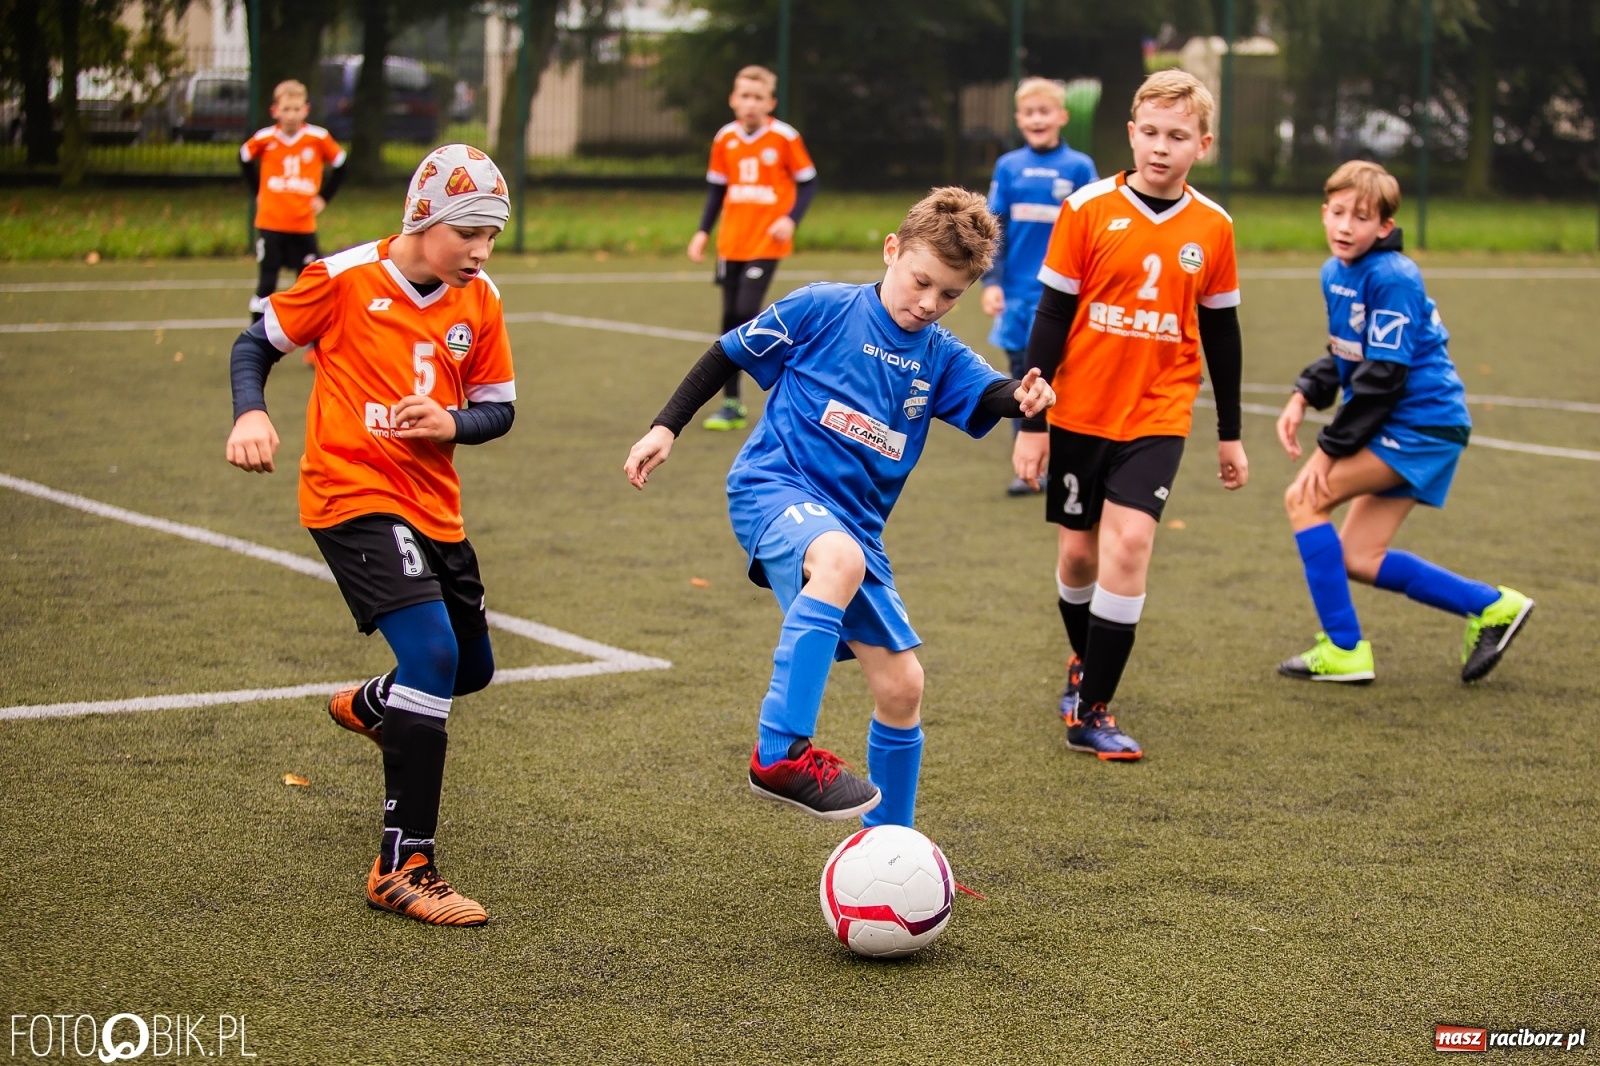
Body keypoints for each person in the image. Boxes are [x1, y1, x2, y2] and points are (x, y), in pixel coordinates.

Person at [627, 188, 1054, 827]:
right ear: (892, 250)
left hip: (855, 530)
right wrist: (666, 427)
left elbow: (989, 391)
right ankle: (779, 751)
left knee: (903, 687)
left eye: (949, 296)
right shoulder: (823, 309)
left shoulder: (937, 355)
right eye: (920, 282)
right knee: (839, 557)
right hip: (774, 488)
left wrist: (1021, 398)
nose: (928, 304)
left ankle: (889, 844)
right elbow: (727, 352)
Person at [225, 144, 517, 926]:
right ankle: (404, 864)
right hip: (350, 494)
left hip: (435, 507)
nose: (482, 251)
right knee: (432, 655)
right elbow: (255, 343)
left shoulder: (479, 299)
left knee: (471, 670)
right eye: (470, 234)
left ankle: (377, 703)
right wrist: (251, 411)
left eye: (493, 234)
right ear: (425, 219)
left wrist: (452, 421)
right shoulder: (344, 278)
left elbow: (500, 408)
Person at [1012, 70, 1248, 761]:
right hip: (1080, 408)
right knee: (1079, 554)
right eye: (1150, 132)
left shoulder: (1214, 227)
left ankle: (1093, 710)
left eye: (1178, 136)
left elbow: (1224, 337)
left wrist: (1229, 435)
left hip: (1158, 412)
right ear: (1131, 134)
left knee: (1129, 546)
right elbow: (1051, 315)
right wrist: (1031, 424)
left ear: (1201, 144)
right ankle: (1082, 662)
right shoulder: (1086, 208)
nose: (1161, 147)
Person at [1275, 160, 1534, 684]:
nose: (1347, 226)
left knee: (1304, 499)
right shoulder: (1337, 272)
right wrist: (1305, 392)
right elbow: (1348, 353)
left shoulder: (1393, 277)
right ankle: (1494, 606)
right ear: (1324, 214)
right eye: (1339, 213)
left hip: (1422, 424)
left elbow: (1383, 379)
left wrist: (1327, 449)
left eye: (1362, 217)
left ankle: (1345, 650)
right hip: (1409, 423)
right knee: (1358, 555)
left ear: (1385, 228)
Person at [981, 77, 1098, 496]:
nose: (1037, 119)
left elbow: (1094, 232)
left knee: (1066, 381)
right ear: (1018, 119)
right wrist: (991, 282)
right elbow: (996, 229)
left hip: (1065, 298)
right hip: (1017, 295)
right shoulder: (1009, 167)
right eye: (1029, 113)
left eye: (1044, 111)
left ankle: (1066, 466)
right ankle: (1027, 466)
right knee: (1022, 380)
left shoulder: (1080, 167)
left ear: (1062, 117)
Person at [687, 65, 818, 432]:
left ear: (770, 102)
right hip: (731, 243)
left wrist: (790, 219)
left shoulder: (785, 138)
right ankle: (732, 403)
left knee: (747, 310)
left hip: (766, 242)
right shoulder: (724, 139)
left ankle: (788, 376)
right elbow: (716, 191)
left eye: (758, 97)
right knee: (730, 320)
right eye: (744, 96)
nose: (750, 103)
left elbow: (808, 184)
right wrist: (701, 232)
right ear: (733, 100)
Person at [240, 80, 346, 330]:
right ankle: (256, 339)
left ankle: (313, 343)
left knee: (311, 285)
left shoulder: (317, 137)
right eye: (286, 109)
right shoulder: (265, 138)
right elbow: (244, 157)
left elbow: (341, 163)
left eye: (296, 109)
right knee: (267, 283)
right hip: (271, 224)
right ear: (275, 111)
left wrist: (324, 198)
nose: (291, 115)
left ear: (306, 110)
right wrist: (259, 191)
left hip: (303, 226)